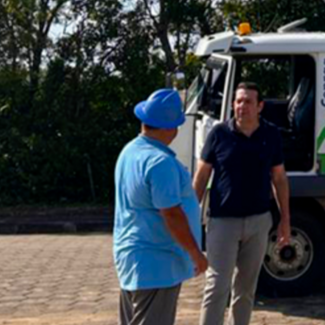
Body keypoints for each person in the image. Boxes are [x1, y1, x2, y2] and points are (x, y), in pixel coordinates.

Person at [194, 81, 291, 325]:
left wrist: (285, 221)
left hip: (258, 222)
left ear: (260, 106)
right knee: (217, 286)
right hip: (222, 222)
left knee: (246, 289)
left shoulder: (271, 134)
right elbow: (201, 176)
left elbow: (279, 179)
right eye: (238, 101)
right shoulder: (219, 134)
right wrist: (190, 216)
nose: (242, 106)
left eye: (248, 101)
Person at [114, 88, 208, 325]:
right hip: (157, 265)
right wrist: (195, 253)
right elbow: (172, 214)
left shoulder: (129, 152)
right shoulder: (160, 162)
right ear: (169, 128)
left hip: (133, 261)